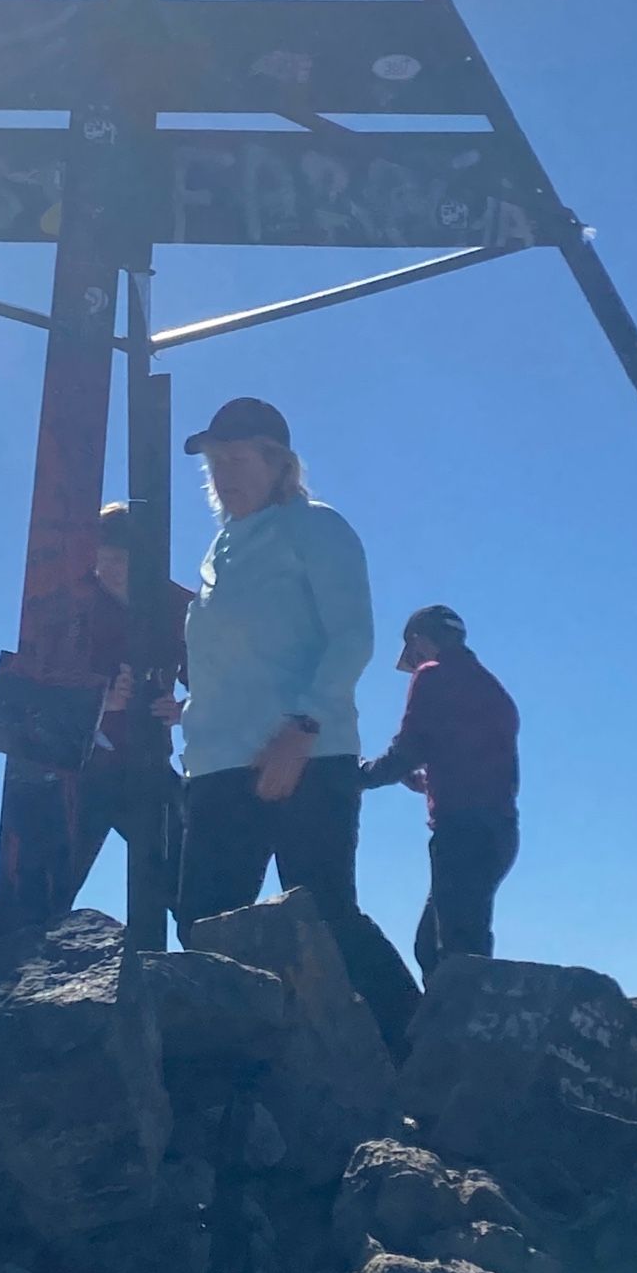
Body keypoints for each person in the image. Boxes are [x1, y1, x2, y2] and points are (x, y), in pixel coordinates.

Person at [171, 396, 415, 1045]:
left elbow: (352, 636)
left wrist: (302, 726)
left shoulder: (315, 528)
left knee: (324, 915)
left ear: (280, 464)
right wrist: (184, 717)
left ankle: (422, 1050)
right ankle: (236, 1077)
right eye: (215, 462)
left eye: (238, 458)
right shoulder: (220, 550)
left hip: (304, 753)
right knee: (203, 923)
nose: (224, 473)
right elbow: (234, 666)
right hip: (218, 765)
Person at [361, 604, 520, 984]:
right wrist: (430, 779)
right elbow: (478, 756)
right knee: (441, 943)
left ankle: (466, 1035)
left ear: (417, 640)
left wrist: (360, 775)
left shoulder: (434, 675)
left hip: (461, 830)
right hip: (500, 831)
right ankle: (457, 1028)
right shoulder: (490, 686)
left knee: (457, 950)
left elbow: (409, 748)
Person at [65, 501, 192, 904]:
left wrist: (185, 708)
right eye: (100, 560)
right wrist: (100, 704)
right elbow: (43, 686)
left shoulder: (179, 607)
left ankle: (206, 963)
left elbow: (220, 679)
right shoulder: (71, 606)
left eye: (119, 559)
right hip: (81, 768)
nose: (109, 569)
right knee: (49, 887)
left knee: (188, 884)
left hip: (149, 762)